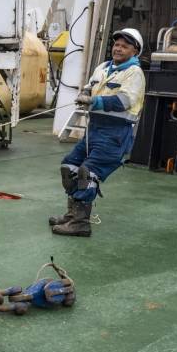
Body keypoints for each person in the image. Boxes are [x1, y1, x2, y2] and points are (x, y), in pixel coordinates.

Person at [50, 28, 146, 237]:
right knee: (70, 166)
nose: (118, 48)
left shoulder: (134, 73)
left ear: (135, 51)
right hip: (93, 131)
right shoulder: (103, 67)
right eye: (117, 44)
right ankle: (72, 214)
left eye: (124, 46)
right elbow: (89, 86)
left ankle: (81, 224)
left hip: (115, 134)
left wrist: (94, 101)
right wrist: (85, 93)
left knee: (88, 173)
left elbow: (123, 102)